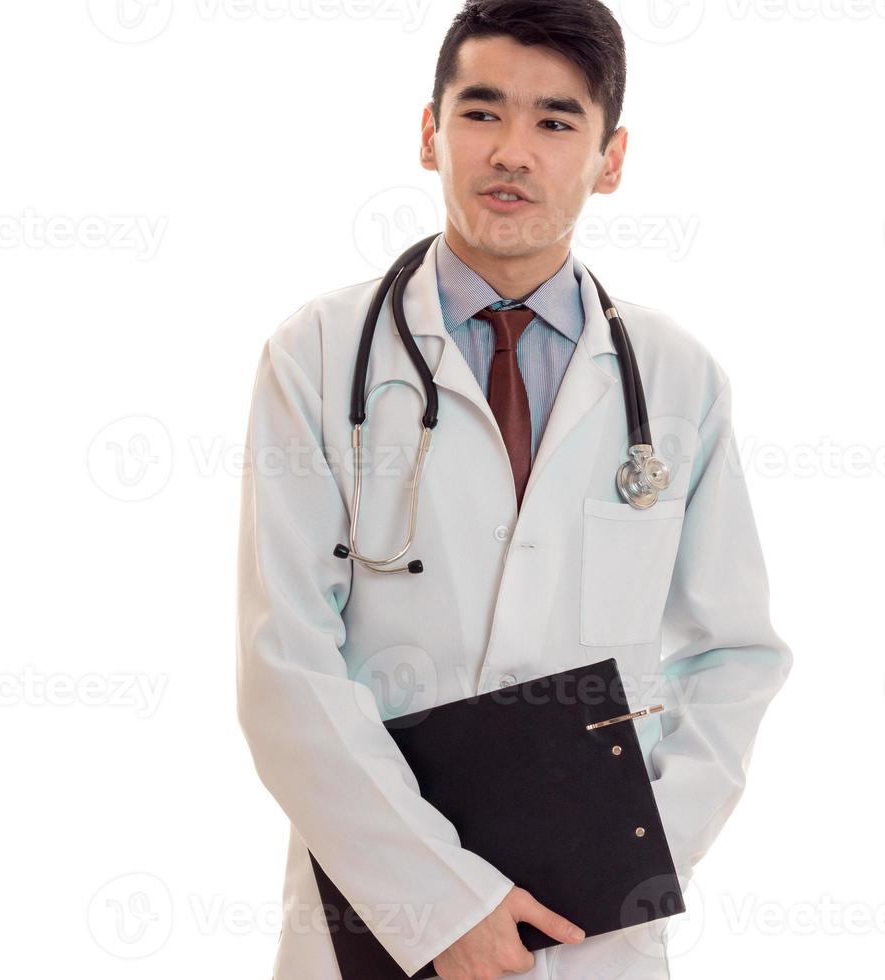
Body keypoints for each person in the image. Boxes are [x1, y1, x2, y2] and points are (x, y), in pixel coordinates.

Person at [235, 2, 793, 977]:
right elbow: (284, 661)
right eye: (483, 113)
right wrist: (439, 901)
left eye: (556, 121)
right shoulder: (316, 357)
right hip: (378, 919)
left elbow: (733, 653)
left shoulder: (676, 378)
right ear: (429, 133)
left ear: (610, 158)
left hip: (592, 927)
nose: (513, 153)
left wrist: (632, 849)